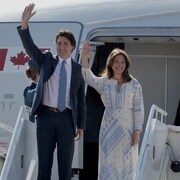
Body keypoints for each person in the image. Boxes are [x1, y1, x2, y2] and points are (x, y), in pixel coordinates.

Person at [17, 3, 86, 180]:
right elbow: (30, 47)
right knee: (44, 165)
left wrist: (81, 126)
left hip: (66, 119)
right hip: (46, 117)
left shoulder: (78, 69)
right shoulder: (46, 60)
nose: (61, 47)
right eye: (59, 43)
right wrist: (24, 25)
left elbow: (81, 101)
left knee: (65, 168)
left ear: (72, 46)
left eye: (65, 44)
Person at [81, 42, 144, 180]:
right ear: (111, 63)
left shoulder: (134, 84)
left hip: (128, 130)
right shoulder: (105, 82)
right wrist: (85, 57)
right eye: (116, 61)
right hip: (108, 130)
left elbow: (138, 108)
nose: (119, 65)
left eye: (122, 62)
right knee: (108, 163)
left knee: (128, 164)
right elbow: (88, 77)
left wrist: (137, 131)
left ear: (126, 64)